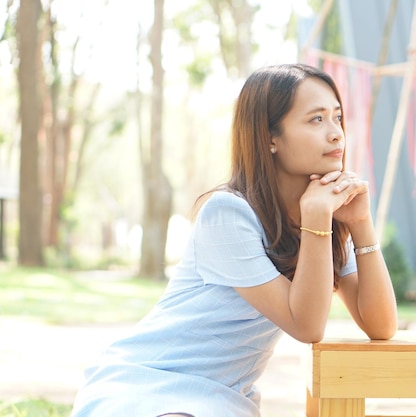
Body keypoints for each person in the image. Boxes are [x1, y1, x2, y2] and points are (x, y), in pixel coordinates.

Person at [70, 63, 397, 417]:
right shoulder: (228, 213)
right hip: (147, 384)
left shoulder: (324, 214)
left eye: (337, 118)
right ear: (270, 136)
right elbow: (307, 325)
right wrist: (318, 219)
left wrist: (360, 223)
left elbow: (381, 325)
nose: (336, 134)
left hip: (221, 398)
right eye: (316, 120)